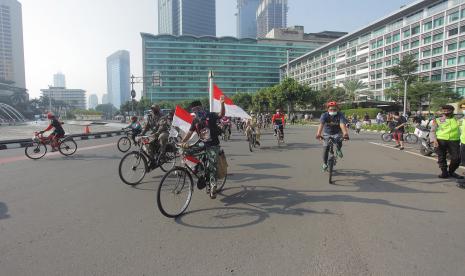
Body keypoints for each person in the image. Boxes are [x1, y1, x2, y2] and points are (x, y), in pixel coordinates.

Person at [181, 96, 225, 198]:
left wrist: (222, 104)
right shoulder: (195, 120)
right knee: (186, 152)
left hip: (213, 144)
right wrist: (182, 142)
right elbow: (189, 133)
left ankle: (213, 185)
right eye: (193, 110)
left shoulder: (210, 115)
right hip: (201, 144)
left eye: (197, 109)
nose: (195, 111)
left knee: (212, 164)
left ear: (201, 107)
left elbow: (221, 114)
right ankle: (200, 169)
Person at [430, 105, 464, 179]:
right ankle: (444, 172)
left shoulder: (458, 119)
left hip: (454, 141)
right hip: (440, 140)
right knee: (441, 157)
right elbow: (432, 131)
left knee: (457, 158)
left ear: (452, 111)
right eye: (444, 111)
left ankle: (451, 172)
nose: (446, 112)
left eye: (448, 111)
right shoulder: (437, 119)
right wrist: (434, 140)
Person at [316, 102, 349, 171]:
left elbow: (342, 124)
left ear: (337, 109)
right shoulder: (324, 115)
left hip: (337, 132)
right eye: (331, 109)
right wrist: (318, 134)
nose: (333, 111)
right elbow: (321, 124)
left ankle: (338, 149)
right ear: (327, 109)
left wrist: (345, 133)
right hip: (327, 133)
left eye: (334, 109)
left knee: (339, 140)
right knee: (325, 149)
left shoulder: (340, 115)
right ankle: (325, 163)